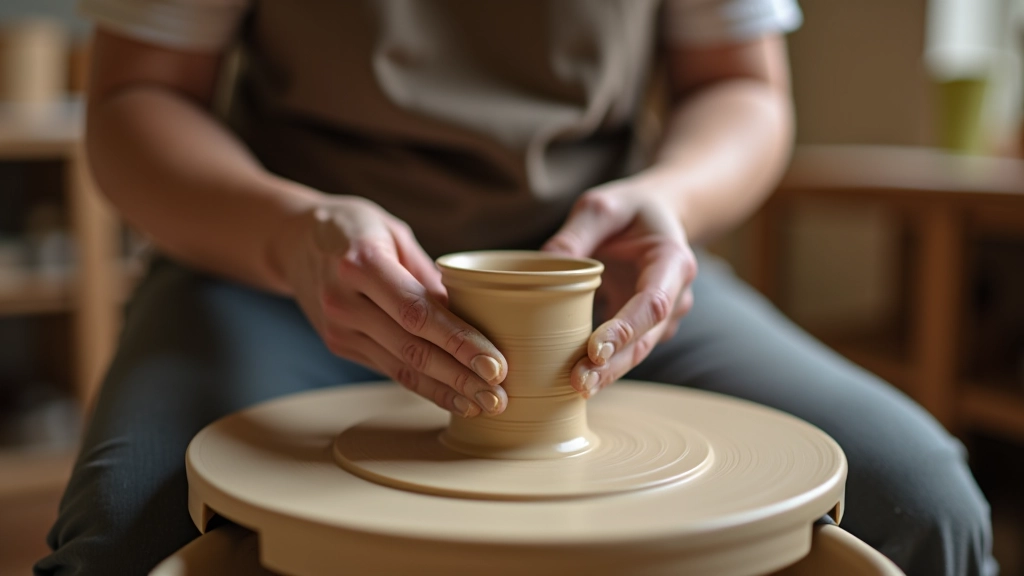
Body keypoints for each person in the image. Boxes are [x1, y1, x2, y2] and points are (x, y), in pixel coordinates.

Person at [37, 1, 995, 575]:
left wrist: (667, 198)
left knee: (922, 502)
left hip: (597, 278)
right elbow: (134, 102)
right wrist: (291, 234)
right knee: (130, 534)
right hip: (290, 263)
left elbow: (741, 86)